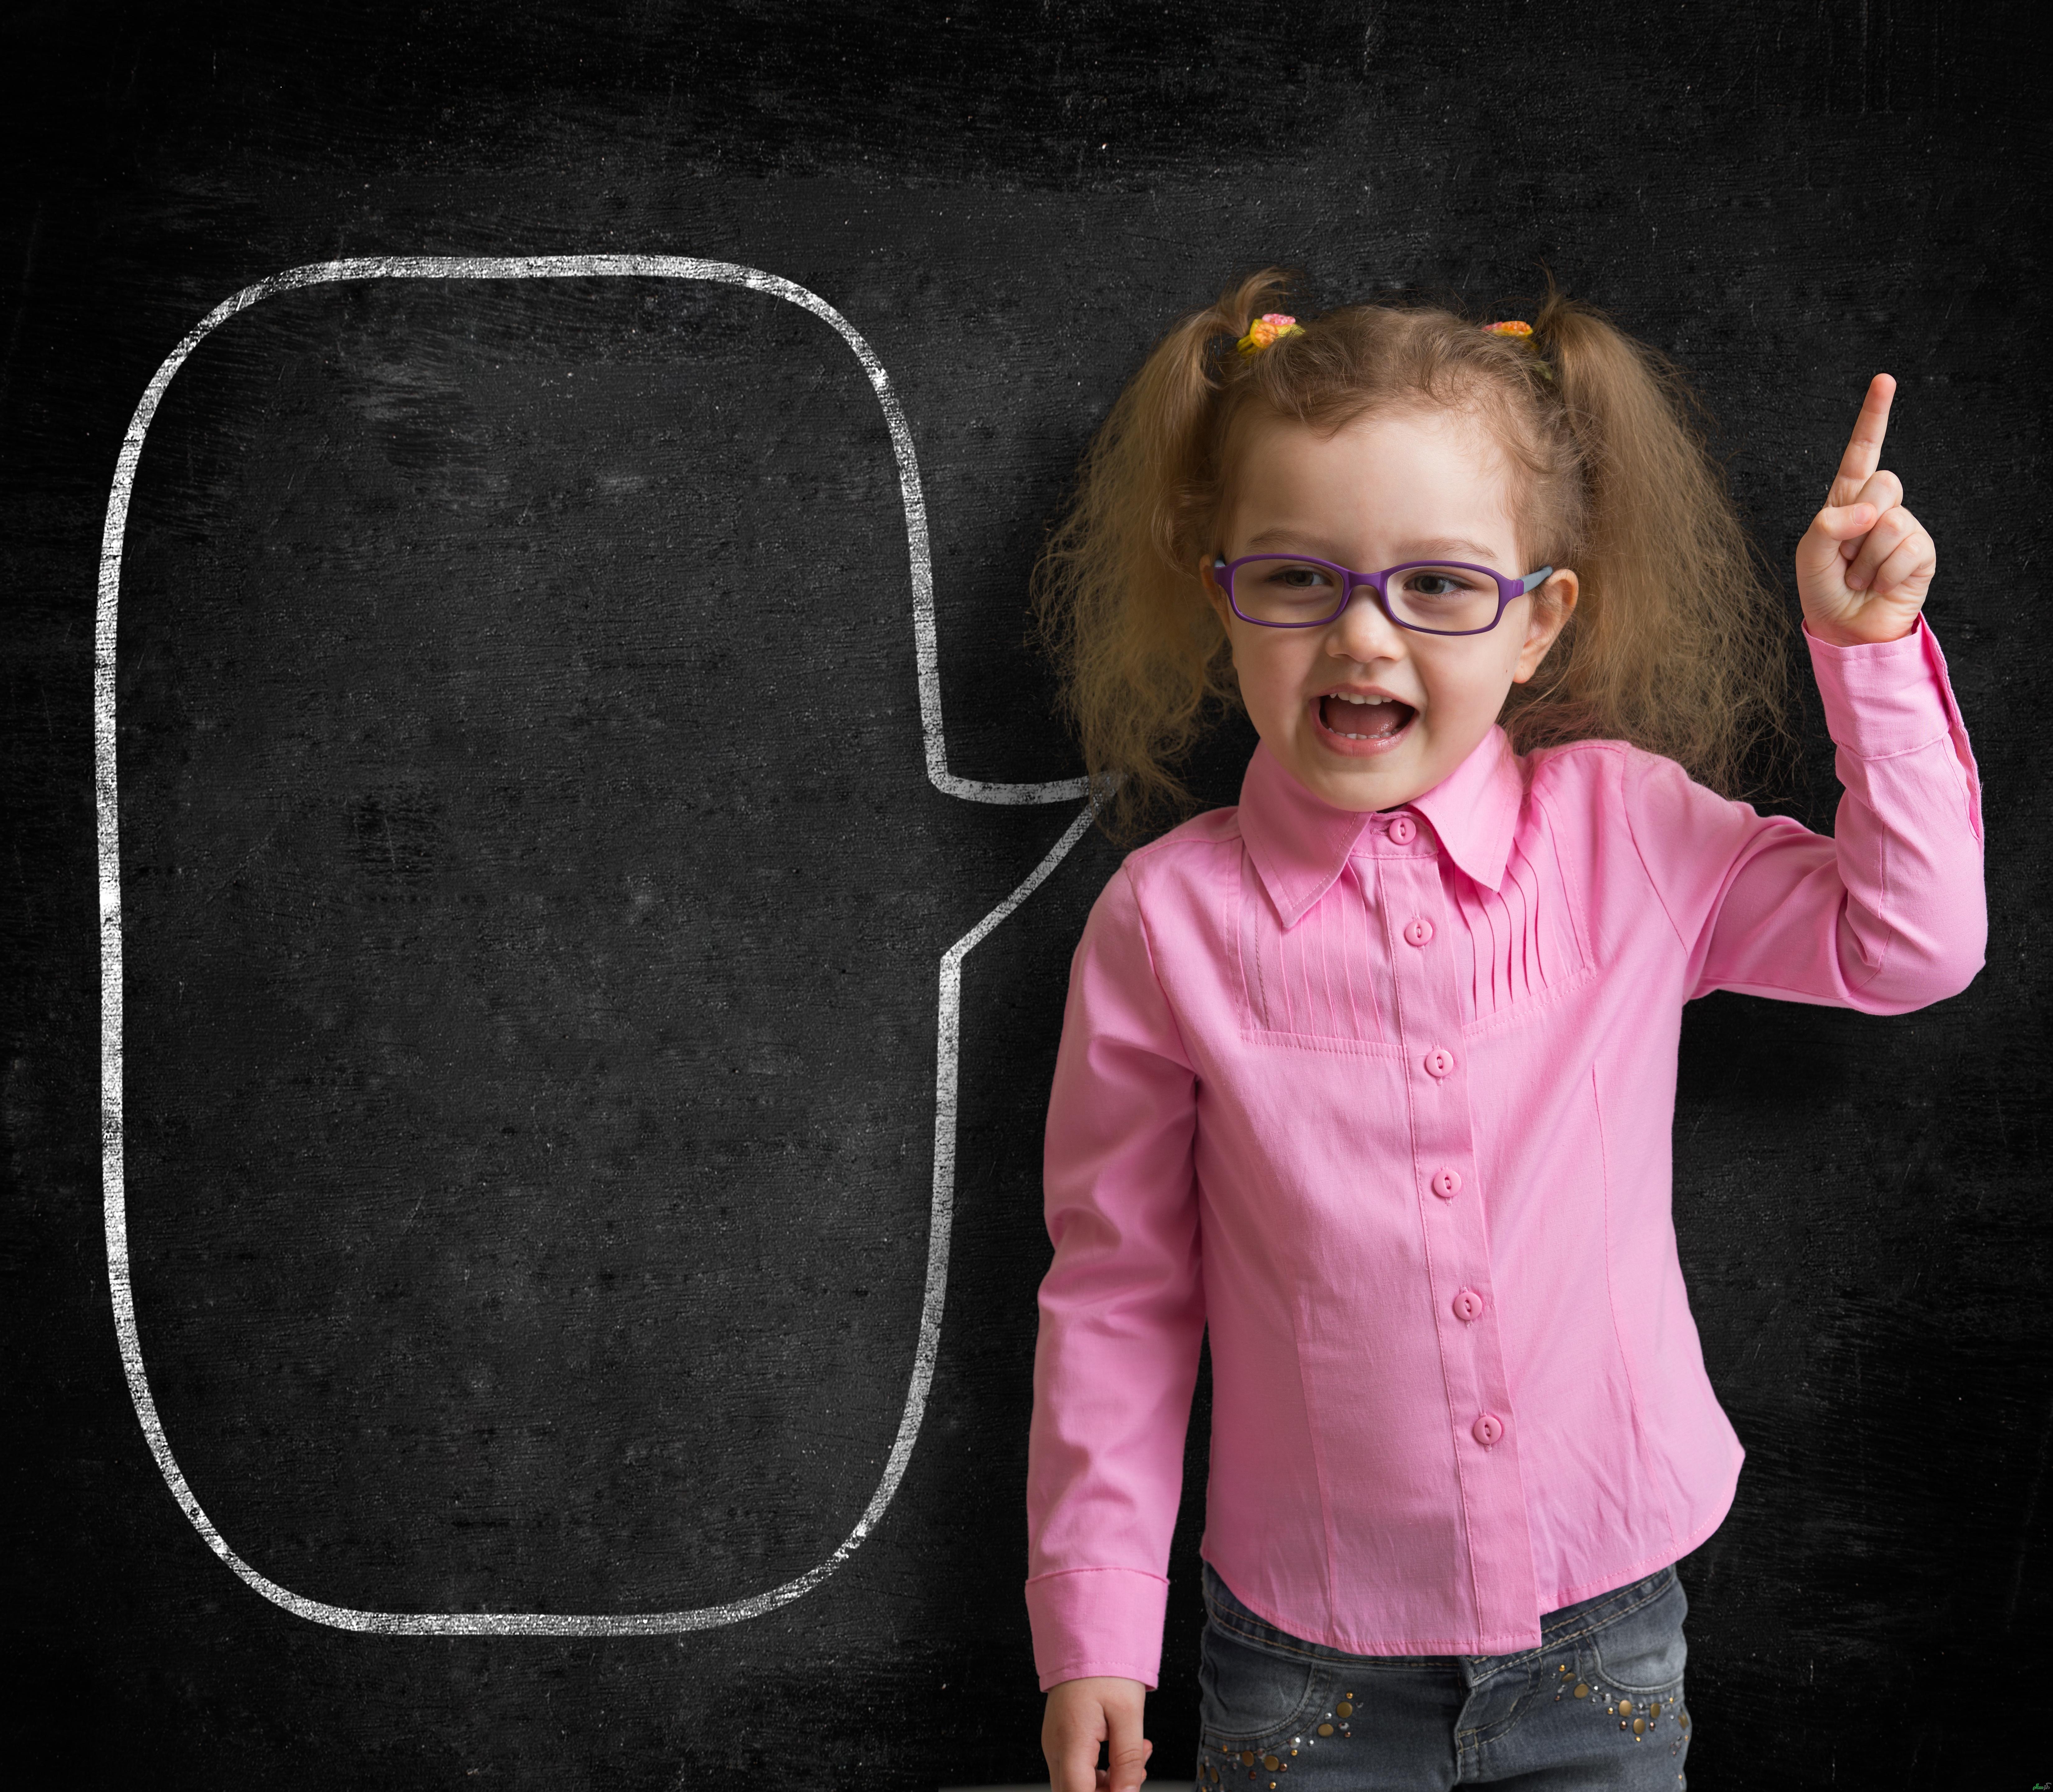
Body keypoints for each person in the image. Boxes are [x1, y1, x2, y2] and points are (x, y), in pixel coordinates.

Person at [1022, 269, 1985, 1791]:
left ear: (1539, 624)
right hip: (1304, 1668)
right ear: (1224, 599)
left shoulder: (1630, 835)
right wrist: (1095, 1623)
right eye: (1299, 579)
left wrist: (1866, 654)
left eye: (1443, 585)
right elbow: (1123, 1295)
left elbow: (1910, 945)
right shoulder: (1164, 924)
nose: (1366, 639)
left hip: (1604, 1638)